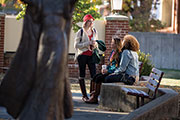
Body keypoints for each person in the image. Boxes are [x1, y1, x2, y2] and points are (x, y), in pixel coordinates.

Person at [85, 36, 123, 104]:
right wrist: (105, 69)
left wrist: (108, 71)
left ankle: (95, 97)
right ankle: (92, 95)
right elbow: (110, 64)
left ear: (116, 44)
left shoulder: (120, 53)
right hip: (109, 70)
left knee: (99, 78)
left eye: (112, 42)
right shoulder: (112, 52)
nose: (111, 44)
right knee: (95, 76)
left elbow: (117, 66)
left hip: (114, 72)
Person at [74, 14, 98, 102]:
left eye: (92, 21)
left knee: (94, 75)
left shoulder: (94, 31)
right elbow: (76, 45)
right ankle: (84, 96)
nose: (91, 22)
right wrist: (87, 43)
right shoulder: (80, 32)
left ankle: (92, 95)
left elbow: (96, 43)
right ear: (86, 22)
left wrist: (95, 44)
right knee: (82, 75)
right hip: (82, 55)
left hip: (91, 55)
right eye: (89, 21)